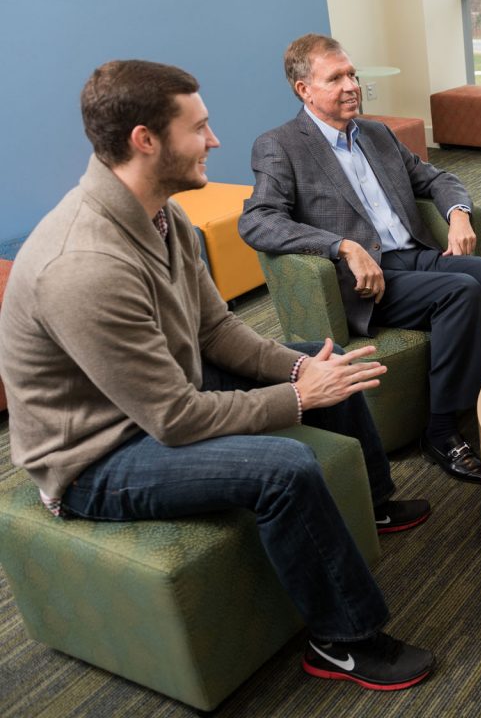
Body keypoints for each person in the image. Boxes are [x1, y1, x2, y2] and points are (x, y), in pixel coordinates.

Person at [0, 60, 436, 691]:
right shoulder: (84, 264)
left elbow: (214, 333)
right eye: (199, 128)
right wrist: (293, 397)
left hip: (158, 397)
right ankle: (343, 641)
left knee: (323, 362)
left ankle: (372, 504)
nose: (215, 141)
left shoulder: (163, 215)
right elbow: (173, 420)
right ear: (145, 140)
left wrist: (298, 370)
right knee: (284, 470)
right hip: (98, 456)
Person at [240, 33, 481, 485]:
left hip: (414, 253)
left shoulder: (375, 133)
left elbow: (438, 177)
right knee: (460, 291)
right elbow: (257, 221)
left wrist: (457, 214)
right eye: (336, 78)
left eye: (352, 73)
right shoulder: (281, 146)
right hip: (366, 281)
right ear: (304, 89)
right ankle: (441, 430)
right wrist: (342, 247)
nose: (352, 84)